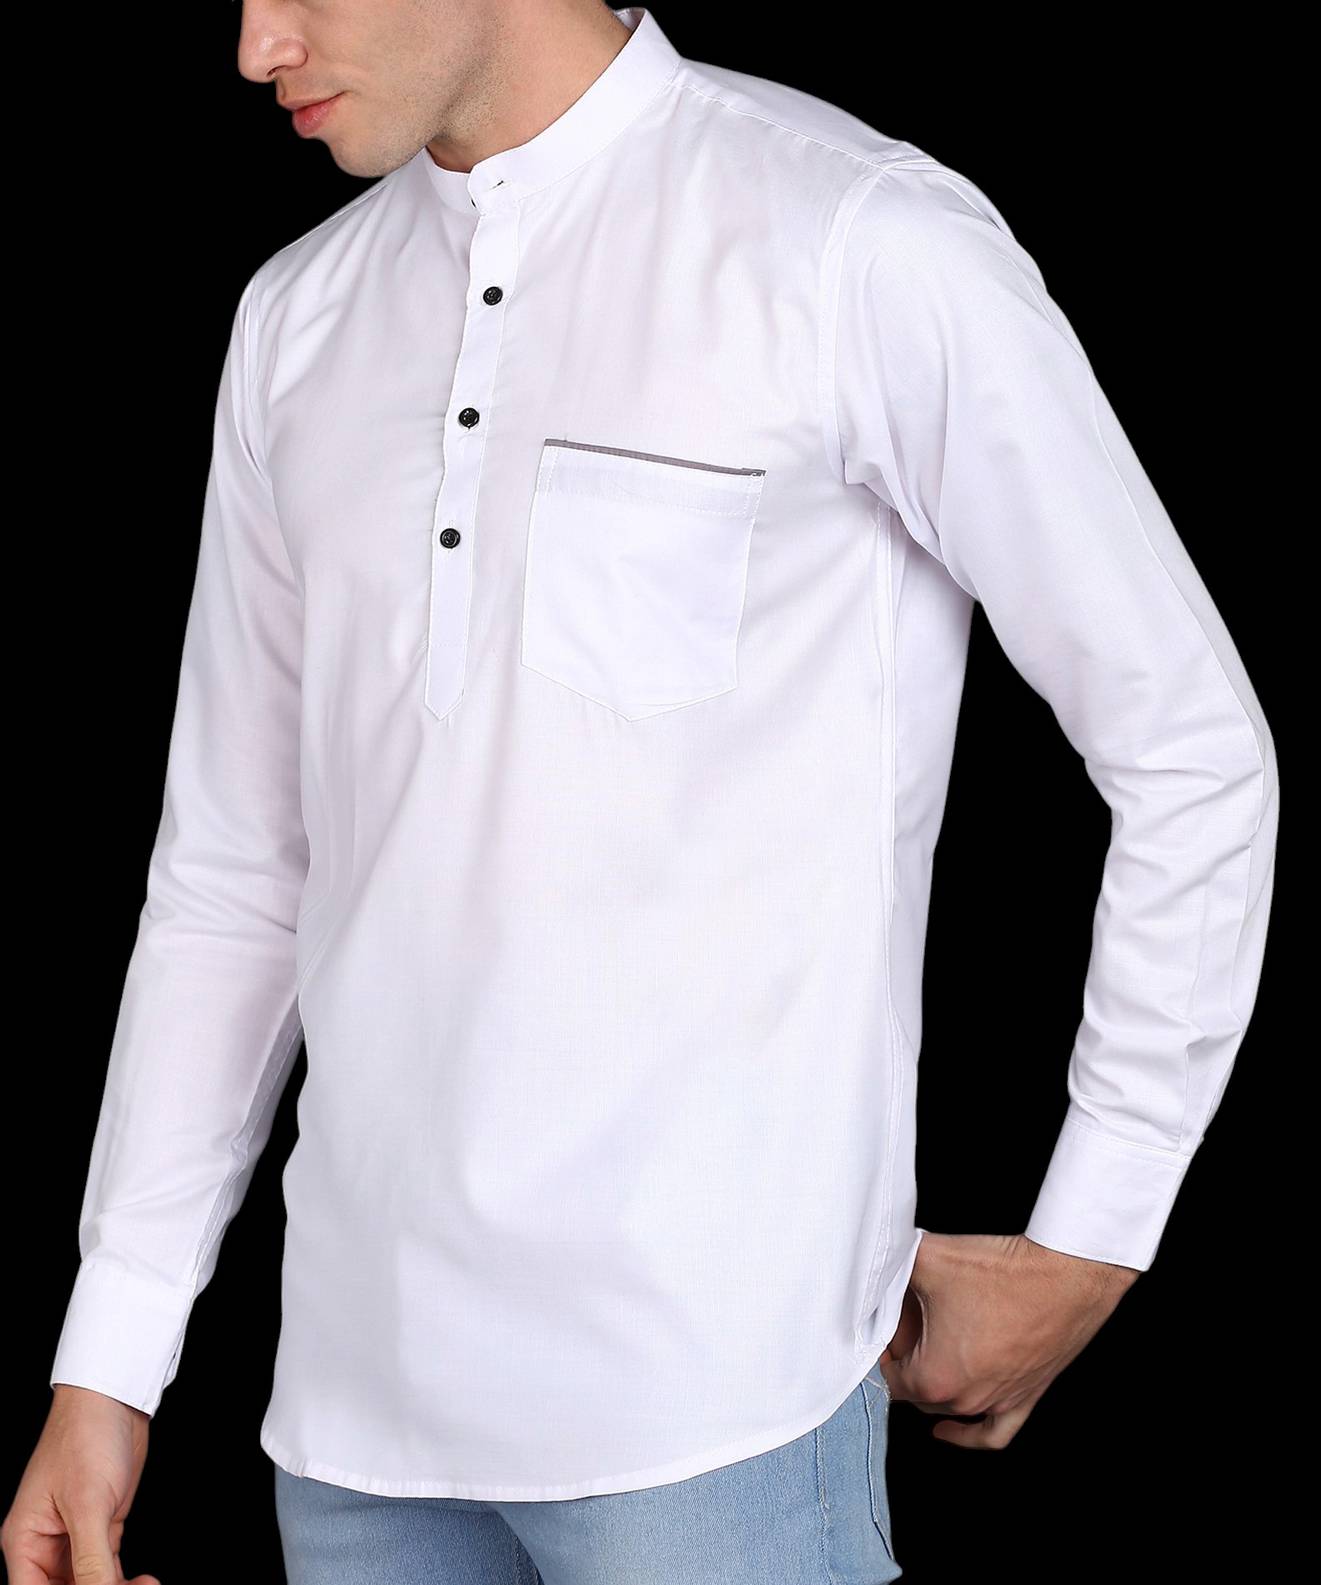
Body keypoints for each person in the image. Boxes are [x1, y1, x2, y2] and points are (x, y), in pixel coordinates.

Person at [3, 3, 1279, 1582]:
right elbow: (237, 873)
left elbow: (1185, 743)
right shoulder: (298, 318)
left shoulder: (850, 240)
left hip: (714, 1415)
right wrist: (112, 1356)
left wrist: (1094, 1230)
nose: (258, 46)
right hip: (350, 1432)